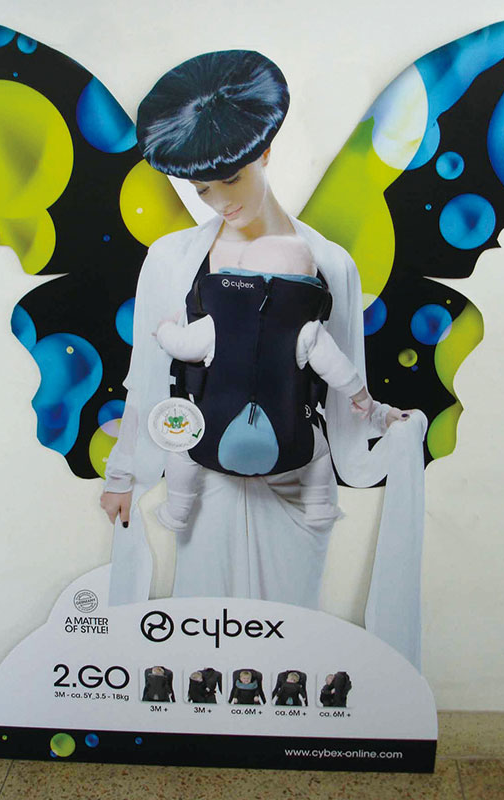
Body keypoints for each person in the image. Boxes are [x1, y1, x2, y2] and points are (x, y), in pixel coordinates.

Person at [99, 50, 428, 669]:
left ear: (265, 153)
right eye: (202, 189)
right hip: (204, 479)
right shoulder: (171, 260)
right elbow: (150, 376)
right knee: (205, 637)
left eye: (230, 179)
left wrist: (387, 422)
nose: (219, 202)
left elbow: (343, 383)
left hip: (298, 486)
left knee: (290, 642)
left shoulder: (330, 265)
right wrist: (125, 475)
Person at [152, 234, 407, 530]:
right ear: (306, 284)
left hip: (210, 441)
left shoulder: (216, 321)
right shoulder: (308, 329)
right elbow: (340, 371)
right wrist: (363, 399)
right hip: (288, 446)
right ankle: (319, 507)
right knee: (320, 452)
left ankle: (177, 511)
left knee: (182, 448)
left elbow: (181, 346)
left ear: (240, 272)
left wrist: (165, 329)